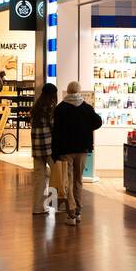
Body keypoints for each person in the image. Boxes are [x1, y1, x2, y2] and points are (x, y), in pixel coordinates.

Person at [51, 80, 102, 225]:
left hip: (66, 150)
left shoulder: (60, 108)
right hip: (82, 149)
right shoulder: (86, 107)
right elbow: (98, 122)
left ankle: (71, 213)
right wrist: (86, 128)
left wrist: (55, 152)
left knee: (67, 182)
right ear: (79, 91)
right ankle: (78, 212)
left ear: (67, 91)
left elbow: (56, 132)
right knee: (78, 180)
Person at [30, 83, 58, 214]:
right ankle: (58, 205)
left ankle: (37, 207)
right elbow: (53, 128)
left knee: (39, 179)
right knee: (57, 175)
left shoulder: (36, 108)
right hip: (49, 148)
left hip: (36, 148)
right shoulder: (50, 108)